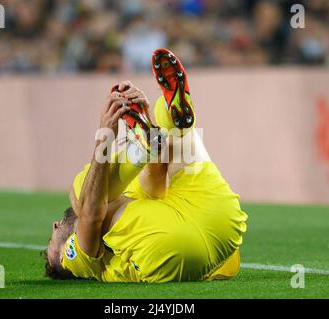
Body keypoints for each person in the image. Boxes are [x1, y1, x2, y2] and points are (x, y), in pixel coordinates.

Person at [43, 49, 248, 282]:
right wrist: (105, 135)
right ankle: (145, 144)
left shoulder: (130, 203)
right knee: (82, 190)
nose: (55, 226)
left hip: (213, 228)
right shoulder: (73, 262)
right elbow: (90, 216)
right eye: (51, 244)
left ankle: (164, 124)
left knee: (167, 136)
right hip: (215, 223)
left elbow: (158, 171)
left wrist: (149, 122)